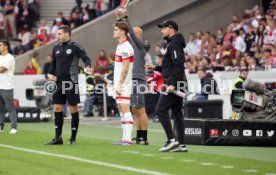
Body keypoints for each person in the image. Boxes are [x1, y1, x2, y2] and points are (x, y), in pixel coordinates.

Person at [145, 20, 188, 152]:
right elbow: (170, 65)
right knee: (177, 113)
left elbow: (179, 64)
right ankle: (180, 144)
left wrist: (172, 84)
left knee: (160, 110)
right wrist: (157, 67)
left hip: (175, 83)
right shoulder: (173, 43)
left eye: (163, 28)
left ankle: (172, 140)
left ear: (171, 28)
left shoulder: (174, 43)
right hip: (179, 82)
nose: (161, 31)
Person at [46, 25, 92, 145]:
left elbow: (86, 58)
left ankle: (73, 138)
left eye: (60, 33)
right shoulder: (55, 47)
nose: (58, 36)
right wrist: (49, 74)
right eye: (58, 33)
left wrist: (88, 67)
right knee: (57, 108)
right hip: (58, 82)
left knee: (73, 109)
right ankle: (58, 138)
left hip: (71, 82)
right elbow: (53, 65)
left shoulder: (75, 46)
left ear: (67, 34)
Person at [115, 8, 150, 145]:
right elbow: (123, 31)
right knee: (135, 109)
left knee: (140, 109)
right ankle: (139, 135)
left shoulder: (140, 44)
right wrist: (119, 19)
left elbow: (128, 32)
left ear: (138, 35)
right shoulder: (131, 45)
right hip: (133, 79)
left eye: (133, 33)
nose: (130, 35)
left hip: (137, 79)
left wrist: (125, 16)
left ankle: (144, 137)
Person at [112, 21, 134, 145]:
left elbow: (126, 67)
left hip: (124, 83)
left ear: (122, 31)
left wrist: (120, 83)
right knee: (121, 108)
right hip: (119, 82)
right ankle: (124, 136)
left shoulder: (126, 46)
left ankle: (128, 138)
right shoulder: (120, 46)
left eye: (116, 29)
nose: (113, 32)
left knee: (125, 108)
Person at [0, 39, 17, 134]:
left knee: (10, 107)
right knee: (0, 108)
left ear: (6, 47)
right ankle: (1, 127)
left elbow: (2, 69)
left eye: (0, 45)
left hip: (7, 86)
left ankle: (14, 127)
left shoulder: (10, 58)